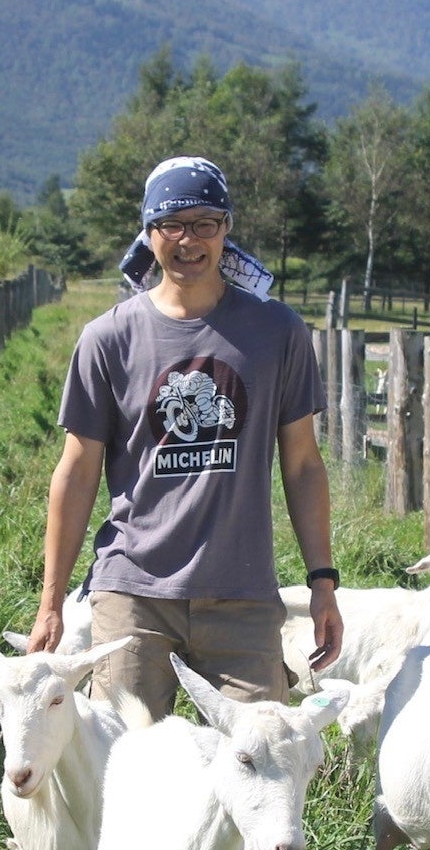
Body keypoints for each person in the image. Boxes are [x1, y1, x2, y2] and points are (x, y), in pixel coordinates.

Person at [27, 155, 343, 719]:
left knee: (262, 758)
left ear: (226, 229)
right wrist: (51, 602)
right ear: (149, 233)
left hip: (243, 594)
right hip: (133, 593)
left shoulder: (277, 332)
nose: (188, 240)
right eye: (172, 224)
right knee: (126, 755)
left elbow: (302, 465)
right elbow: (76, 472)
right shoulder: (108, 339)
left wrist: (323, 581)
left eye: (204, 223)